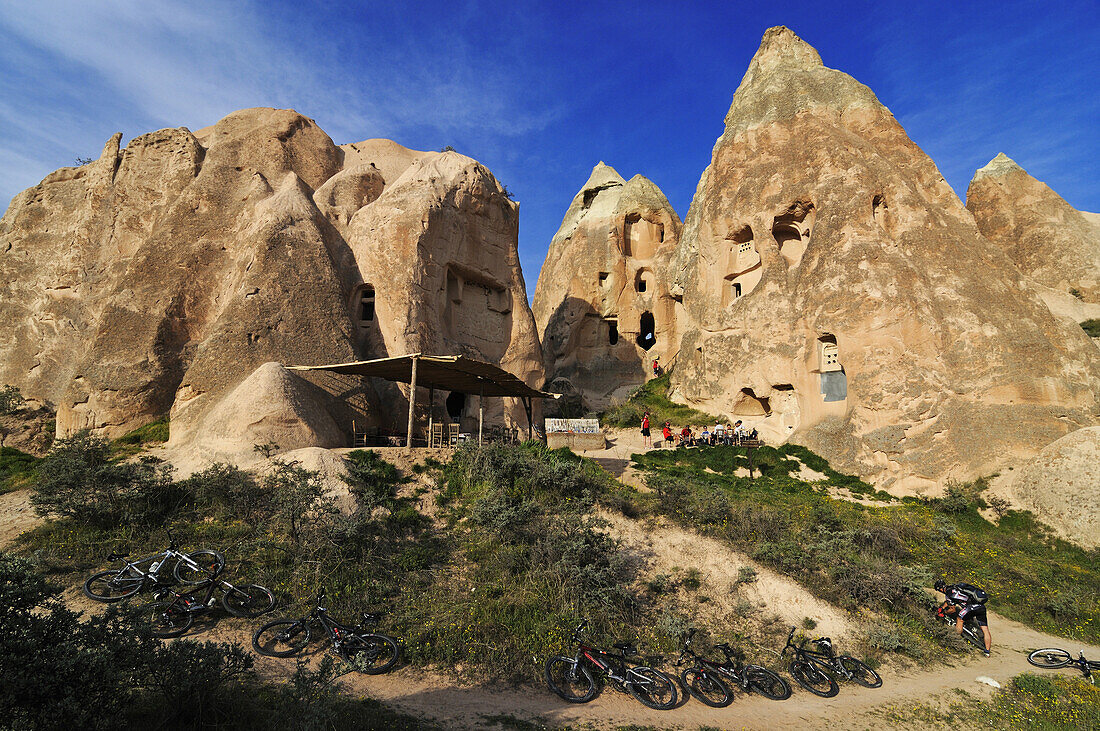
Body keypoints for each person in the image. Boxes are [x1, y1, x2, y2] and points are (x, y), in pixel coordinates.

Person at [935, 579, 992, 656]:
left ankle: (956, 639)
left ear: (940, 589)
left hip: (971, 607)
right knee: (985, 629)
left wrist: (944, 613)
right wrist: (942, 608)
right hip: (981, 606)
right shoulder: (954, 587)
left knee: (959, 619)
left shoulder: (948, 593)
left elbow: (953, 609)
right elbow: (948, 602)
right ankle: (987, 652)